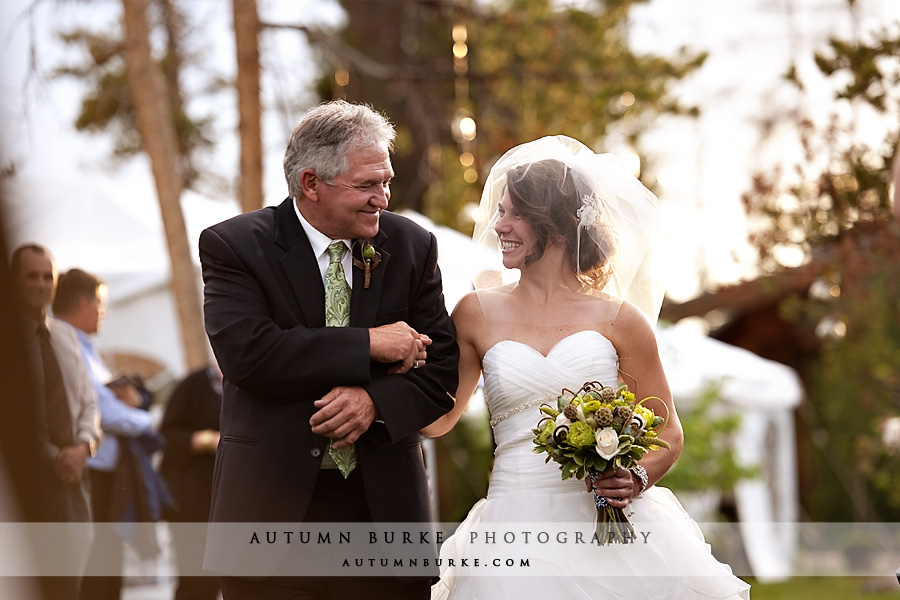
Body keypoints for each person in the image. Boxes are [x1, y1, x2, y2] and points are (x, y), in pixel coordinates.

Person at [423, 136, 751, 599]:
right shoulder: (475, 312)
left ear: (553, 225)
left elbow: (668, 434)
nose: (499, 226)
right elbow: (439, 418)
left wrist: (634, 478)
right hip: (513, 526)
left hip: (609, 529)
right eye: (500, 212)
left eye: (513, 213)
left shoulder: (620, 320)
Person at [199, 99, 459, 599]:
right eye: (366, 185)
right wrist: (370, 344)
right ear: (311, 184)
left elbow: (442, 368)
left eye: (386, 181)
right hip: (269, 516)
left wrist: (375, 403)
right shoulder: (234, 245)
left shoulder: (411, 246)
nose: (382, 198)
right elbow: (250, 354)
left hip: (385, 517)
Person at [51, 268, 159, 600]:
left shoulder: (87, 348)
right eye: (100, 304)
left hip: (106, 472)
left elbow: (112, 404)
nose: (103, 312)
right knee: (97, 572)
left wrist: (130, 403)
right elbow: (109, 415)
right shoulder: (66, 345)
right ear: (84, 303)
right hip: (91, 474)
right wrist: (146, 419)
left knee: (108, 569)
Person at [11, 244, 100, 600]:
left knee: (69, 584)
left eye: (47, 276)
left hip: (74, 481)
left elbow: (88, 402)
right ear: (14, 280)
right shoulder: (8, 342)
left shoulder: (65, 337)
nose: (40, 283)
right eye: (31, 276)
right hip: (29, 480)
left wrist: (83, 447)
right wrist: (54, 456)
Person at [159, 362, 224, 600]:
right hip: (194, 504)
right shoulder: (193, 384)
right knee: (197, 585)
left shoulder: (254, 383)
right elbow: (167, 437)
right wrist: (209, 440)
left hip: (237, 505)